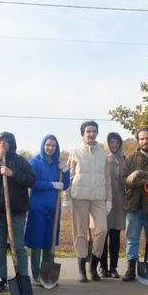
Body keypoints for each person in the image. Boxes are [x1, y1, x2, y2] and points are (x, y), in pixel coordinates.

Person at [0, 132, 36, 293]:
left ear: (12, 144)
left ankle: (22, 278)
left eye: (6, 141)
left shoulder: (20, 161)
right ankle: (1, 279)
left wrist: (12, 174)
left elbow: (31, 178)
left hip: (16, 213)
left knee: (18, 247)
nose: (2, 143)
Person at [63, 120, 112, 283]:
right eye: (88, 131)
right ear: (83, 134)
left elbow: (108, 178)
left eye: (94, 131)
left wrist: (109, 199)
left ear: (97, 133)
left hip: (98, 197)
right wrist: (66, 198)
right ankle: (82, 269)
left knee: (102, 230)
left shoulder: (103, 153)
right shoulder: (75, 152)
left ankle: (94, 266)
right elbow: (69, 177)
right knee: (80, 233)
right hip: (79, 196)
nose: (91, 134)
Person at [121, 127, 148, 283]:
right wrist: (145, 181)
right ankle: (131, 268)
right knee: (132, 238)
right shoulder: (130, 159)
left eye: (147, 138)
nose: (145, 141)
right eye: (141, 139)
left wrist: (138, 174)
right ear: (138, 141)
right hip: (133, 204)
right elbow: (126, 179)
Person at [24, 135, 70, 285]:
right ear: (43, 145)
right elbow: (32, 182)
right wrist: (51, 185)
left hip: (54, 209)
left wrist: (66, 171)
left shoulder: (59, 165)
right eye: (48, 145)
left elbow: (65, 185)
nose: (50, 148)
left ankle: (46, 273)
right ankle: (36, 275)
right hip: (38, 208)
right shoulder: (35, 162)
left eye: (53, 146)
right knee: (37, 241)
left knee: (48, 242)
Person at [100, 132, 126, 278]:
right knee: (103, 235)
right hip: (105, 201)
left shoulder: (125, 159)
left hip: (120, 203)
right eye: (112, 142)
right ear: (107, 144)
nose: (115, 145)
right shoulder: (103, 159)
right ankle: (103, 267)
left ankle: (113, 268)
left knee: (115, 236)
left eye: (117, 142)